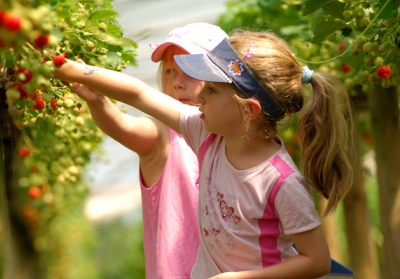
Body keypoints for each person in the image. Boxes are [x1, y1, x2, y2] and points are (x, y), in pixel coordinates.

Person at [53, 30, 356, 279]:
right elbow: (140, 95)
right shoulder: (205, 137)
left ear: (248, 110)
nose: (198, 96)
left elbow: (317, 261)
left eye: (210, 90)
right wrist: (77, 71)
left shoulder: (281, 183)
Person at [68, 23, 228, 279]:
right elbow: (123, 125)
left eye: (189, 70)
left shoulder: (236, 138)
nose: (177, 83)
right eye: (169, 72)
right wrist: (97, 100)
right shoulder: (164, 137)